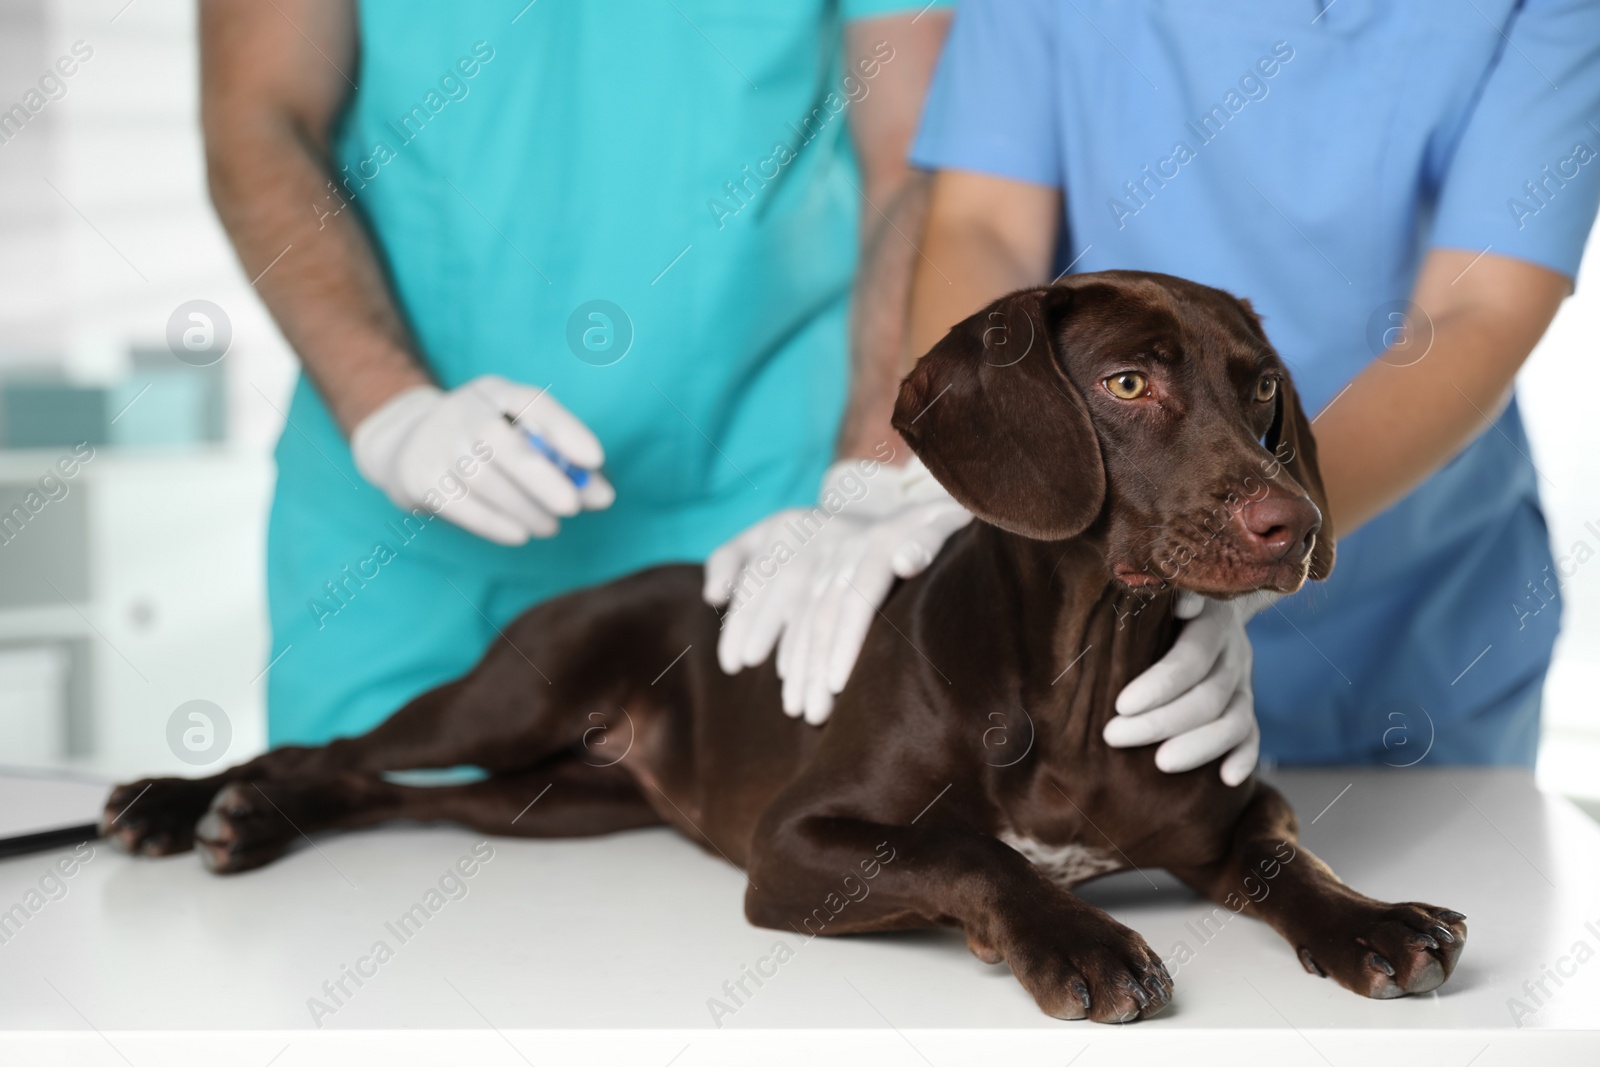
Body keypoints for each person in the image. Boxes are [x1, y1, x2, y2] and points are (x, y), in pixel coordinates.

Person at [764, 0, 1600, 768]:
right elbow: (986, 226)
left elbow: (1476, 312)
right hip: (1100, 582)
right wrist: (970, 475)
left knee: (1415, 907)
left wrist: (1258, 543)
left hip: (1417, 628)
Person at [200, 0, 955, 745]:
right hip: (401, 552)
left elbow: (916, 152)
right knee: (361, 836)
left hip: (757, 523)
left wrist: (875, 473)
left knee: (769, 852)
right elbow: (261, 117)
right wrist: (390, 408)